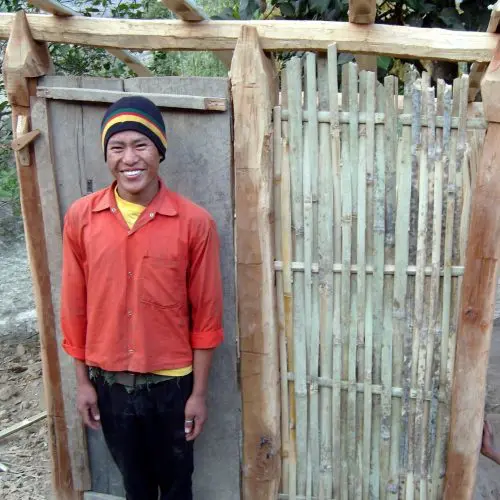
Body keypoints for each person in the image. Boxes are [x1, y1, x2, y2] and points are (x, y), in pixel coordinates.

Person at [60, 96, 224, 500]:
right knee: (133, 487)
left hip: (172, 388)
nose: (129, 158)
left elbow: (206, 316)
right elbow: (74, 307)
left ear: (159, 152)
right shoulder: (82, 218)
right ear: (106, 155)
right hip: (109, 387)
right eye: (117, 147)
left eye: (141, 145)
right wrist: (82, 383)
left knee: (176, 486)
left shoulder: (195, 223)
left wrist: (198, 395)